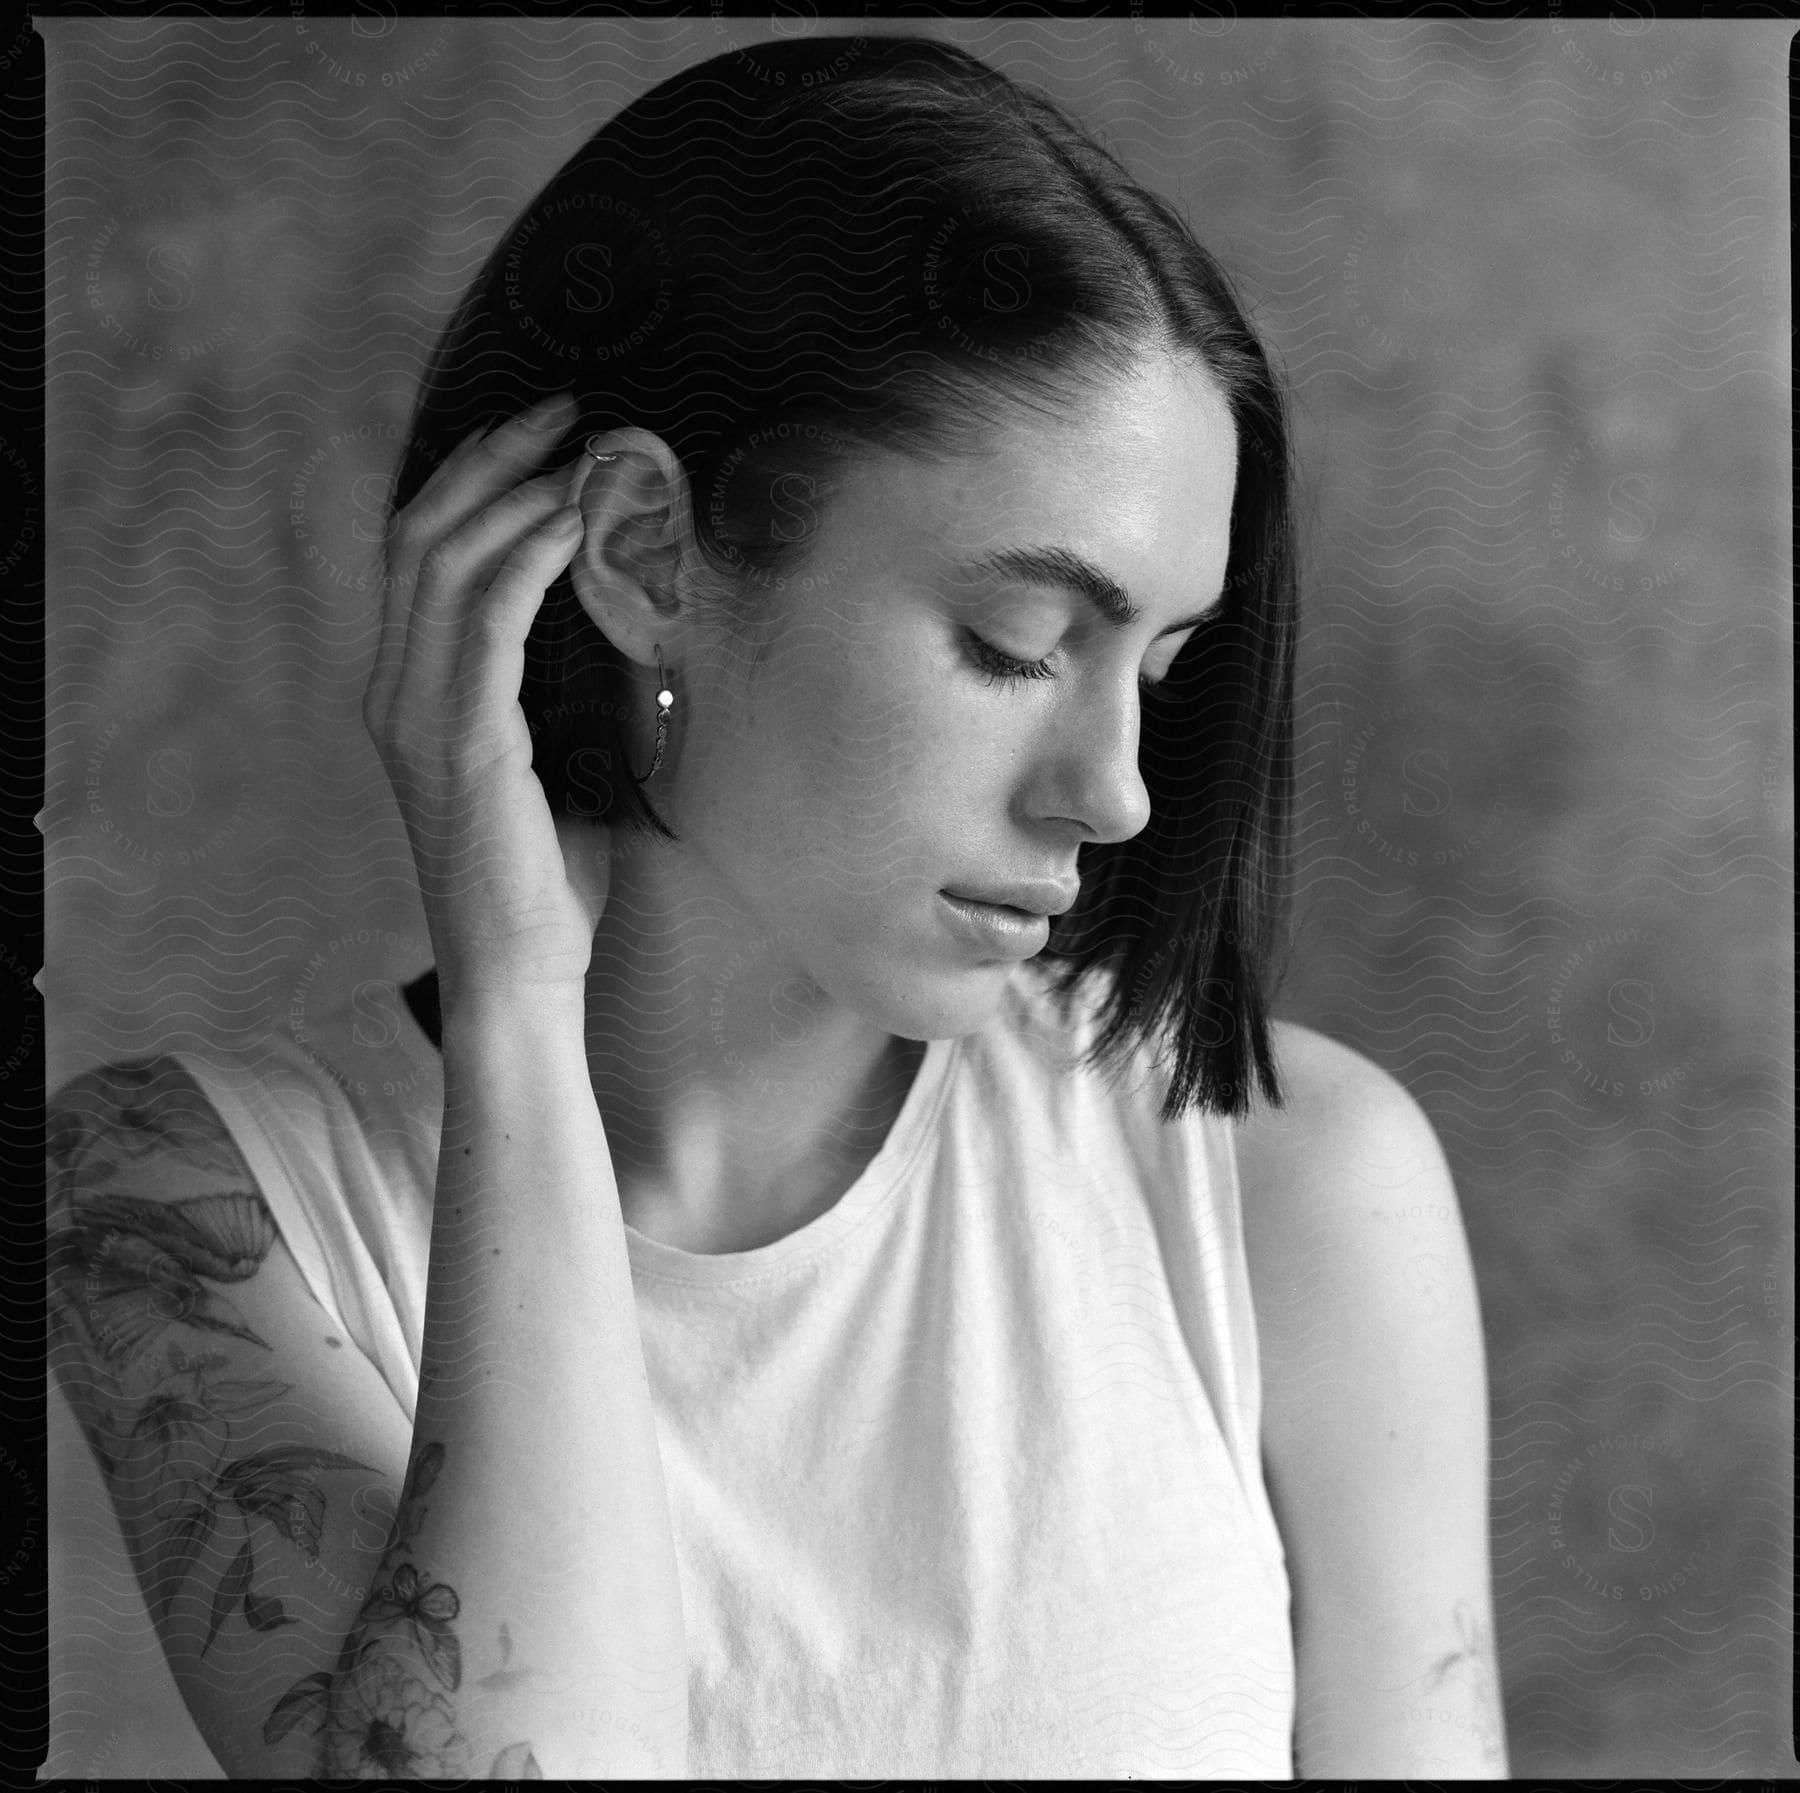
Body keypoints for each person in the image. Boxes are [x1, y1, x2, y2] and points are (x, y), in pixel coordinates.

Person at [47, 33, 1505, 1779]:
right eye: (1015, 645)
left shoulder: (1294, 1185)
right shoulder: (185, 1205)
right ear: (649, 552)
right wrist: (519, 1007)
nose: (1115, 791)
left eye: (1161, 667)